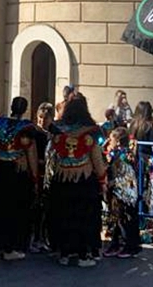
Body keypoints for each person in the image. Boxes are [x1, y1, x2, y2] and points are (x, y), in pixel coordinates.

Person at [47, 96, 106, 267]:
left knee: (63, 216)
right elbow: (96, 159)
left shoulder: (57, 130)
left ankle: (64, 253)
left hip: (61, 179)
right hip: (83, 180)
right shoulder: (91, 131)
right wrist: (102, 178)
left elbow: (52, 155)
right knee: (84, 218)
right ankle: (83, 255)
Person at [0, 96, 39, 261]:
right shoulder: (27, 128)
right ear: (24, 109)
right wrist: (35, 178)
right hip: (17, 172)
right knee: (15, 210)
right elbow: (31, 153)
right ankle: (11, 247)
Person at [101, 127, 141, 258]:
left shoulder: (123, 156)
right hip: (117, 193)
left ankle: (131, 246)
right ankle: (116, 244)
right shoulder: (116, 154)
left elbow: (124, 175)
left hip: (124, 193)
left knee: (125, 220)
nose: (108, 141)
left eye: (111, 139)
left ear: (117, 141)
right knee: (117, 220)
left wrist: (113, 183)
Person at [31, 102, 55, 253]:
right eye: (39, 118)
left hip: (50, 176)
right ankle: (36, 238)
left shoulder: (54, 134)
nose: (42, 121)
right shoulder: (35, 134)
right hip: (38, 174)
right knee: (37, 209)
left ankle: (46, 238)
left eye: (45, 118)